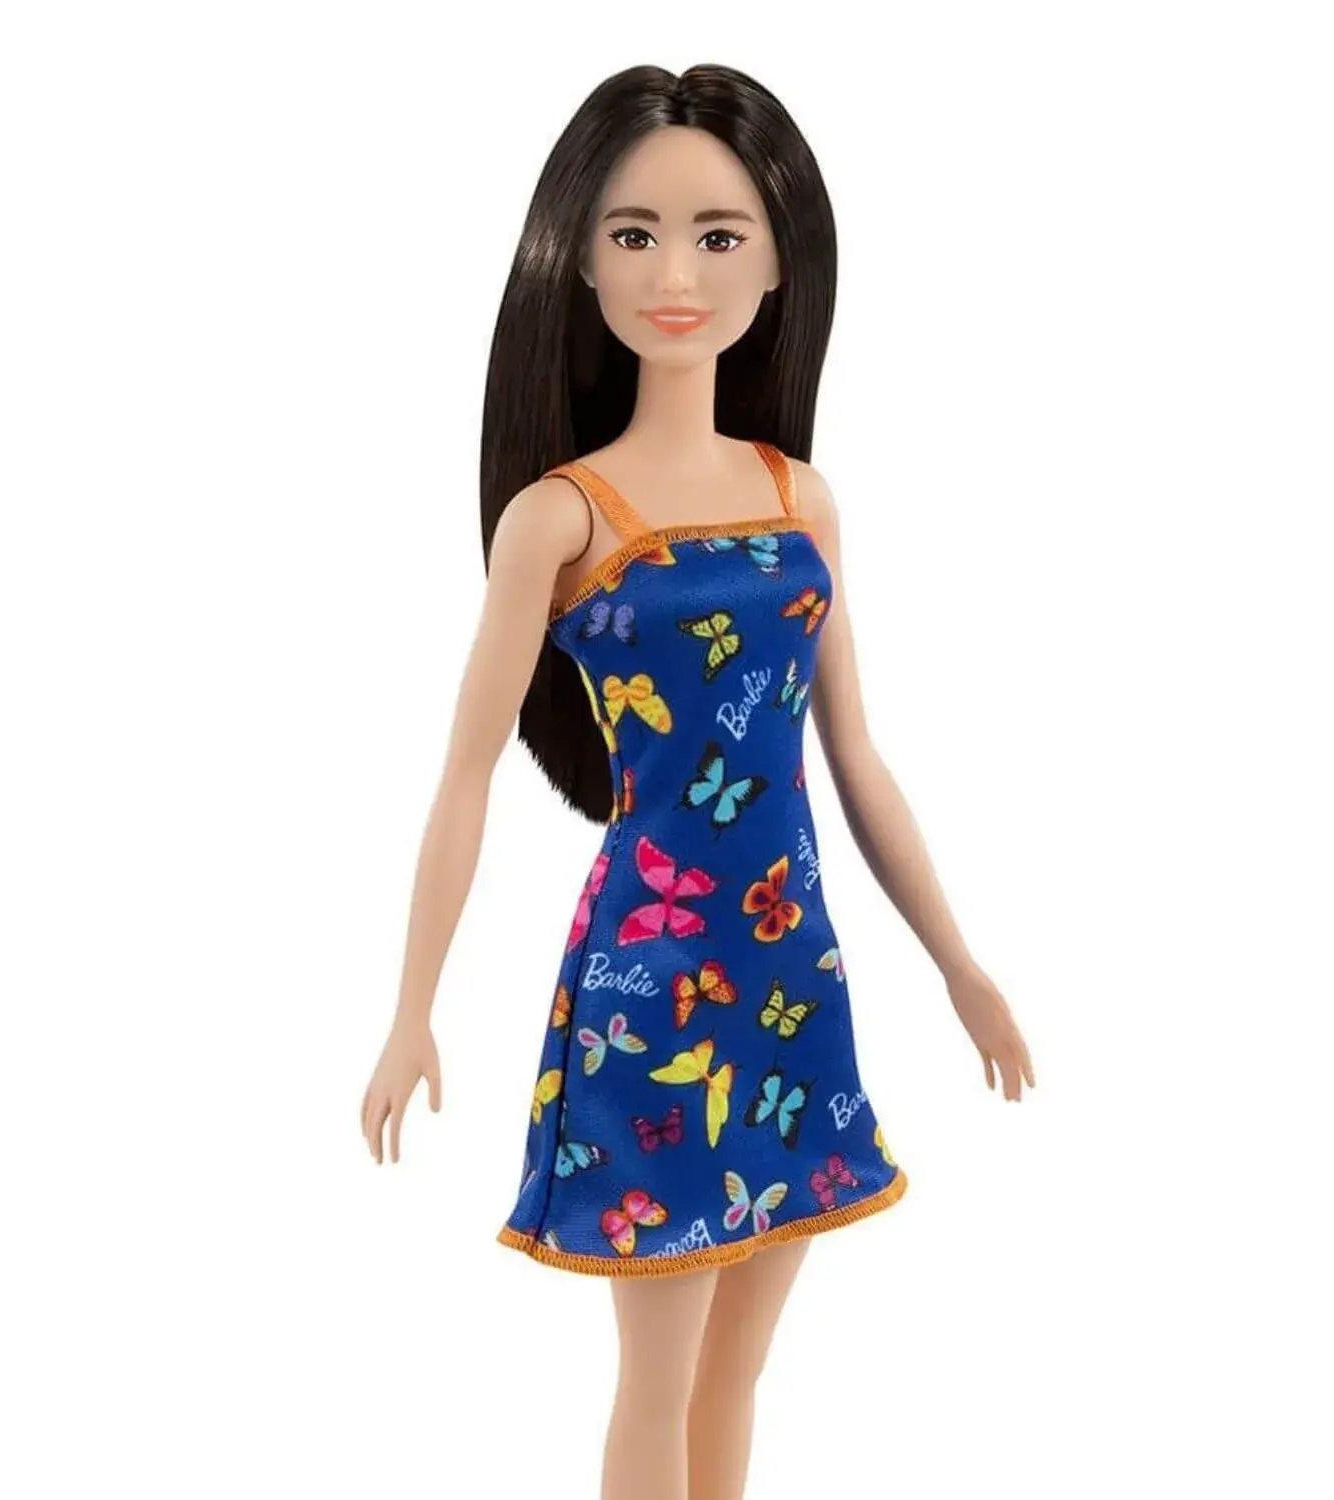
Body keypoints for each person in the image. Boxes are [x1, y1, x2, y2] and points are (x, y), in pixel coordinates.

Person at [360, 62, 1034, 1500]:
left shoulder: (800, 497)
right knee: (656, 1376)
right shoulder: (560, 519)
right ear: (578, 258)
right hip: (651, 975)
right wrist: (412, 1009)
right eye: (635, 234)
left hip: (791, 967)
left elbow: (854, 756)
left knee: (740, 1371)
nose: (676, 275)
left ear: (781, 261)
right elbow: (464, 775)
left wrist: (961, 967)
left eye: (719, 235)